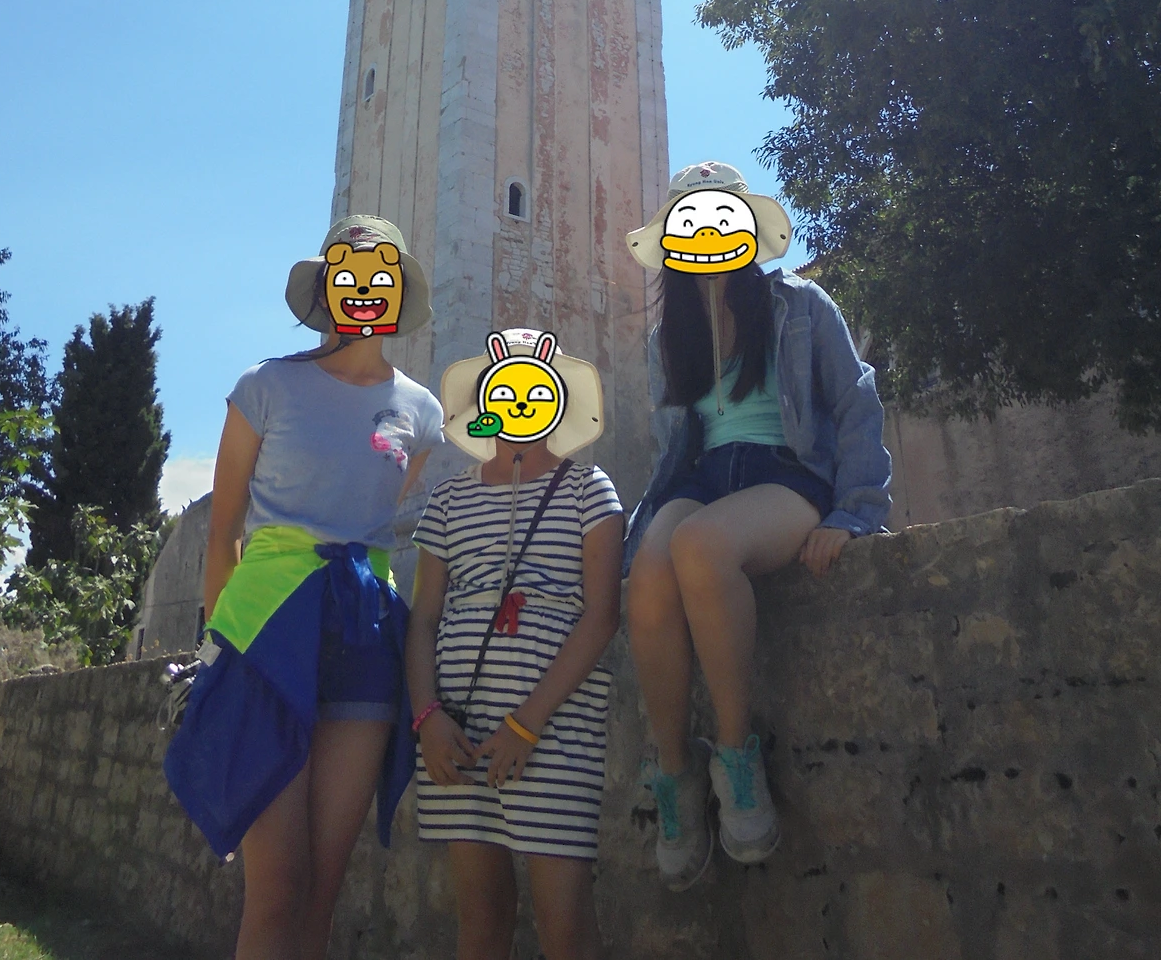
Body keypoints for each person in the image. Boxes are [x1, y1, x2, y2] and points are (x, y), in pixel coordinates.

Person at [164, 216, 443, 960]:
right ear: (325, 289)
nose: (363, 290)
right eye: (348, 276)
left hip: (365, 638)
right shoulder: (266, 386)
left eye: (379, 277)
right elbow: (224, 531)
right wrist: (216, 648)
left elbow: (377, 524)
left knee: (323, 887)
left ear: (399, 291)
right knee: (278, 886)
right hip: (265, 636)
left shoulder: (422, 412)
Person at [623, 162, 891, 889]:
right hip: (704, 478)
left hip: (786, 471)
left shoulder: (799, 305)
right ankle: (676, 772)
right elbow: (674, 448)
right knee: (648, 573)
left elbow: (855, 402)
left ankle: (737, 757)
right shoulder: (666, 339)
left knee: (700, 548)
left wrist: (855, 512)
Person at [406, 328, 623, 960]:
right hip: (458, 735)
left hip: (556, 731)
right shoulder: (448, 500)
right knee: (481, 918)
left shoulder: (589, 489)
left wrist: (527, 724)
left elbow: (602, 616)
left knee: (565, 923)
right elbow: (423, 620)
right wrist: (427, 719)